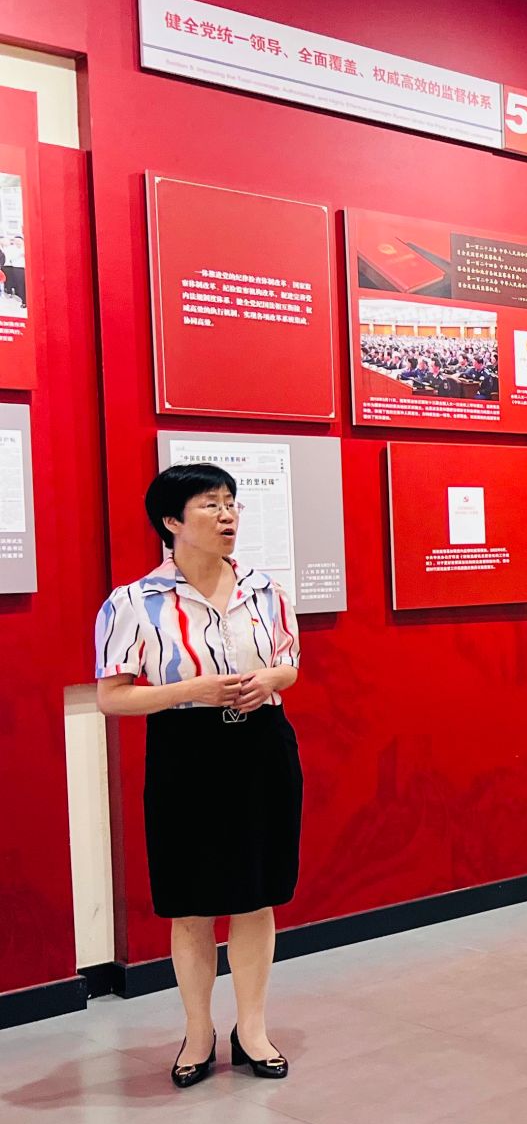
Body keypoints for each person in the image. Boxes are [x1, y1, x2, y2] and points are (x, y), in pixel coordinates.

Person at [95, 464, 305, 1088]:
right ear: (171, 521)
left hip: (262, 744)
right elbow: (112, 696)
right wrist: (193, 690)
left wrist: (269, 680)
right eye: (210, 504)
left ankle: (252, 1029)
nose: (227, 514)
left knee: (256, 897)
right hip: (186, 755)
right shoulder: (134, 602)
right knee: (190, 906)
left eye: (231, 502)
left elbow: (290, 665)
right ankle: (197, 1034)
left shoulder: (265, 590)